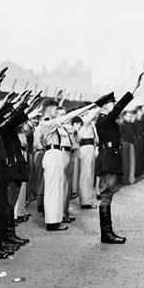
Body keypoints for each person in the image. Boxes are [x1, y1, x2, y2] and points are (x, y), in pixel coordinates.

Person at [94, 73, 143, 244]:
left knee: (108, 194)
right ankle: (106, 234)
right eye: (111, 104)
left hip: (111, 158)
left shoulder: (106, 120)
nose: (114, 106)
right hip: (108, 158)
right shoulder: (102, 120)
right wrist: (133, 89)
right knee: (106, 194)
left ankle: (107, 232)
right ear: (104, 107)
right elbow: (118, 110)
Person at [40, 99, 96, 231]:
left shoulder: (54, 124)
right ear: (48, 109)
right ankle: (52, 221)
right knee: (53, 190)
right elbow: (70, 117)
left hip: (56, 154)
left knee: (58, 189)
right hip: (52, 153)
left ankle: (56, 219)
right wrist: (89, 107)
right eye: (54, 109)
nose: (56, 112)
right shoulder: (48, 122)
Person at [120, 110, 136, 185]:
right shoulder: (122, 125)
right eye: (128, 116)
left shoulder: (130, 124)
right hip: (125, 143)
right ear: (124, 116)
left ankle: (127, 178)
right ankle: (125, 179)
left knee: (129, 162)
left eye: (130, 116)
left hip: (129, 143)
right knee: (125, 162)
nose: (129, 118)